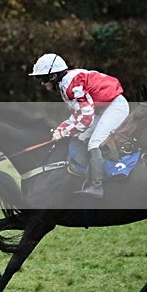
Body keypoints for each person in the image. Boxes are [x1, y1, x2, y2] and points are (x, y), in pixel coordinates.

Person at [29, 53, 129, 199]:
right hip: (101, 109)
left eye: (43, 79)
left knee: (95, 142)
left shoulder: (72, 85)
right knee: (80, 137)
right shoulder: (65, 85)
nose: (42, 83)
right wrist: (60, 129)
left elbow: (86, 119)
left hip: (115, 107)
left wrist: (64, 133)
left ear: (53, 76)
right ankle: (85, 178)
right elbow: (77, 115)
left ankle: (97, 186)